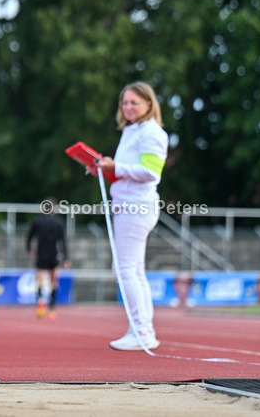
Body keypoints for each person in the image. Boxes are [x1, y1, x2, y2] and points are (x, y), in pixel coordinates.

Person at [96, 81, 169, 351]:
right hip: (128, 204)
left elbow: (151, 172)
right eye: (124, 102)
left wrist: (117, 167)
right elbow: (129, 170)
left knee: (126, 269)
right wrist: (106, 170)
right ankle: (141, 329)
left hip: (136, 206)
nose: (128, 107)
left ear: (149, 104)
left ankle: (142, 331)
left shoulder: (152, 132)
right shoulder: (131, 131)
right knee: (132, 269)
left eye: (134, 102)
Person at [27, 198, 69, 320]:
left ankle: (41, 304)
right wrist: (66, 257)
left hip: (41, 255)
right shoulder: (58, 223)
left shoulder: (37, 222)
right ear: (54, 209)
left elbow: (29, 237)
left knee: (40, 281)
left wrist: (29, 249)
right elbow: (63, 241)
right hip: (54, 255)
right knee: (54, 282)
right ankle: (51, 308)